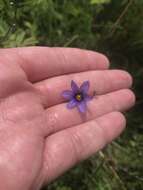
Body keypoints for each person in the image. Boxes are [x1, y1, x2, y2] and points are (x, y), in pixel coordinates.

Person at [0, 47, 135, 190]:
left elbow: (81, 97)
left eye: (80, 96)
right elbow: (73, 97)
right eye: (77, 95)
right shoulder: (75, 96)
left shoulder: (82, 96)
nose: (79, 96)